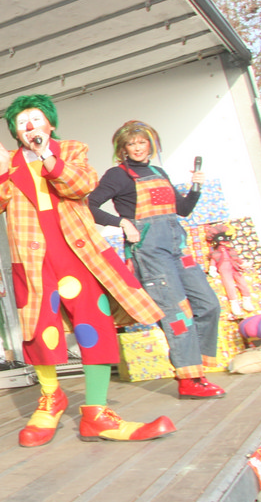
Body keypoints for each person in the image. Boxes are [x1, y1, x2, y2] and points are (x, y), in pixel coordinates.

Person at [0, 96, 174, 445]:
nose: (29, 126)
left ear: (50, 125)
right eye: (22, 123)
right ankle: (51, 397)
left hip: (78, 255)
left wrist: (45, 155)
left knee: (93, 325)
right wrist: (2, 167)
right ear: (15, 132)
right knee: (38, 328)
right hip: (32, 259)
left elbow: (80, 186)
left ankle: (96, 412)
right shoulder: (7, 163)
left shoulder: (71, 150)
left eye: (36, 119)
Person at [87, 120, 224, 399]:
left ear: (151, 144)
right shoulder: (117, 175)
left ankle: (195, 367)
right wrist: (122, 223)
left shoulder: (158, 172)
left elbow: (183, 210)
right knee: (177, 314)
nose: (137, 148)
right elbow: (88, 206)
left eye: (142, 142)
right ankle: (189, 379)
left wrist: (196, 188)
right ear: (123, 149)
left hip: (177, 247)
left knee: (209, 305)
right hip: (149, 250)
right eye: (131, 144)